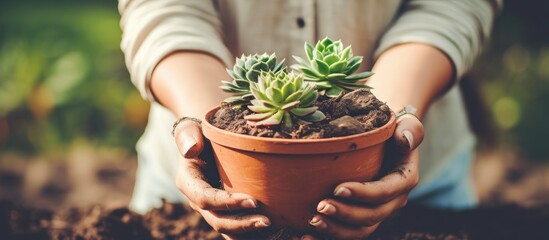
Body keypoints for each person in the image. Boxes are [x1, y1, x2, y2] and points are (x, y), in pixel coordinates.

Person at [118, 0, 500, 239]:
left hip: (419, 194)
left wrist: (393, 114)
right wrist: (205, 131)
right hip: (185, 202)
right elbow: (162, 9)